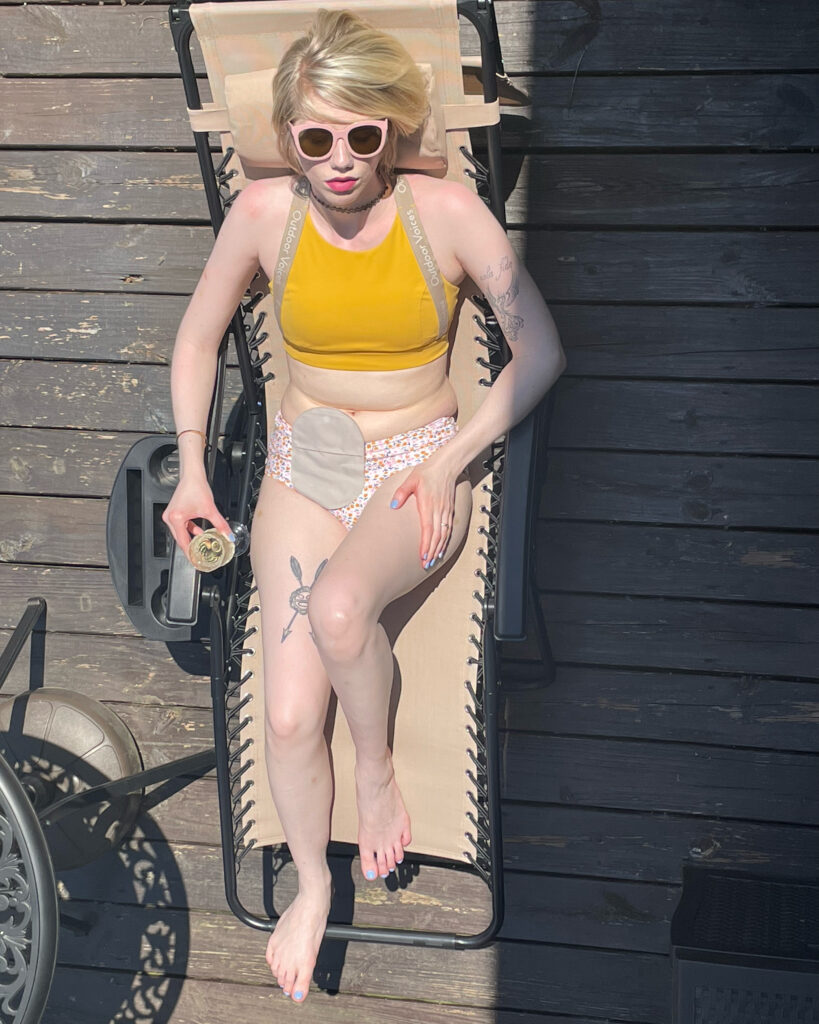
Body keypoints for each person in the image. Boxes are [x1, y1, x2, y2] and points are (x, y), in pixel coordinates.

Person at [162, 8, 565, 1006]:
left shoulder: (447, 216)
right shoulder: (264, 215)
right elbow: (196, 342)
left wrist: (454, 459)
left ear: (390, 129)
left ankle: (378, 771)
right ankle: (309, 882)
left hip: (415, 466)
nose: (339, 159)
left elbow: (543, 353)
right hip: (305, 467)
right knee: (290, 714)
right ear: (289, 133)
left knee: (343, 612)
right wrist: (192, 471)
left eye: (363, 134)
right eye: (315, 137)